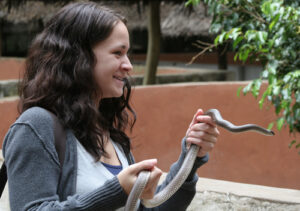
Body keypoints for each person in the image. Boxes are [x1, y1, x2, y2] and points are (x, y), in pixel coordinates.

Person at [2, 2, 219, 211]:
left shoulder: (109, 134)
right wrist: (118, 190)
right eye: (118, 53)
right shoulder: (35, 126)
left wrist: (190, 158)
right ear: (79, 56)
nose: (129, 65)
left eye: (127, 54)